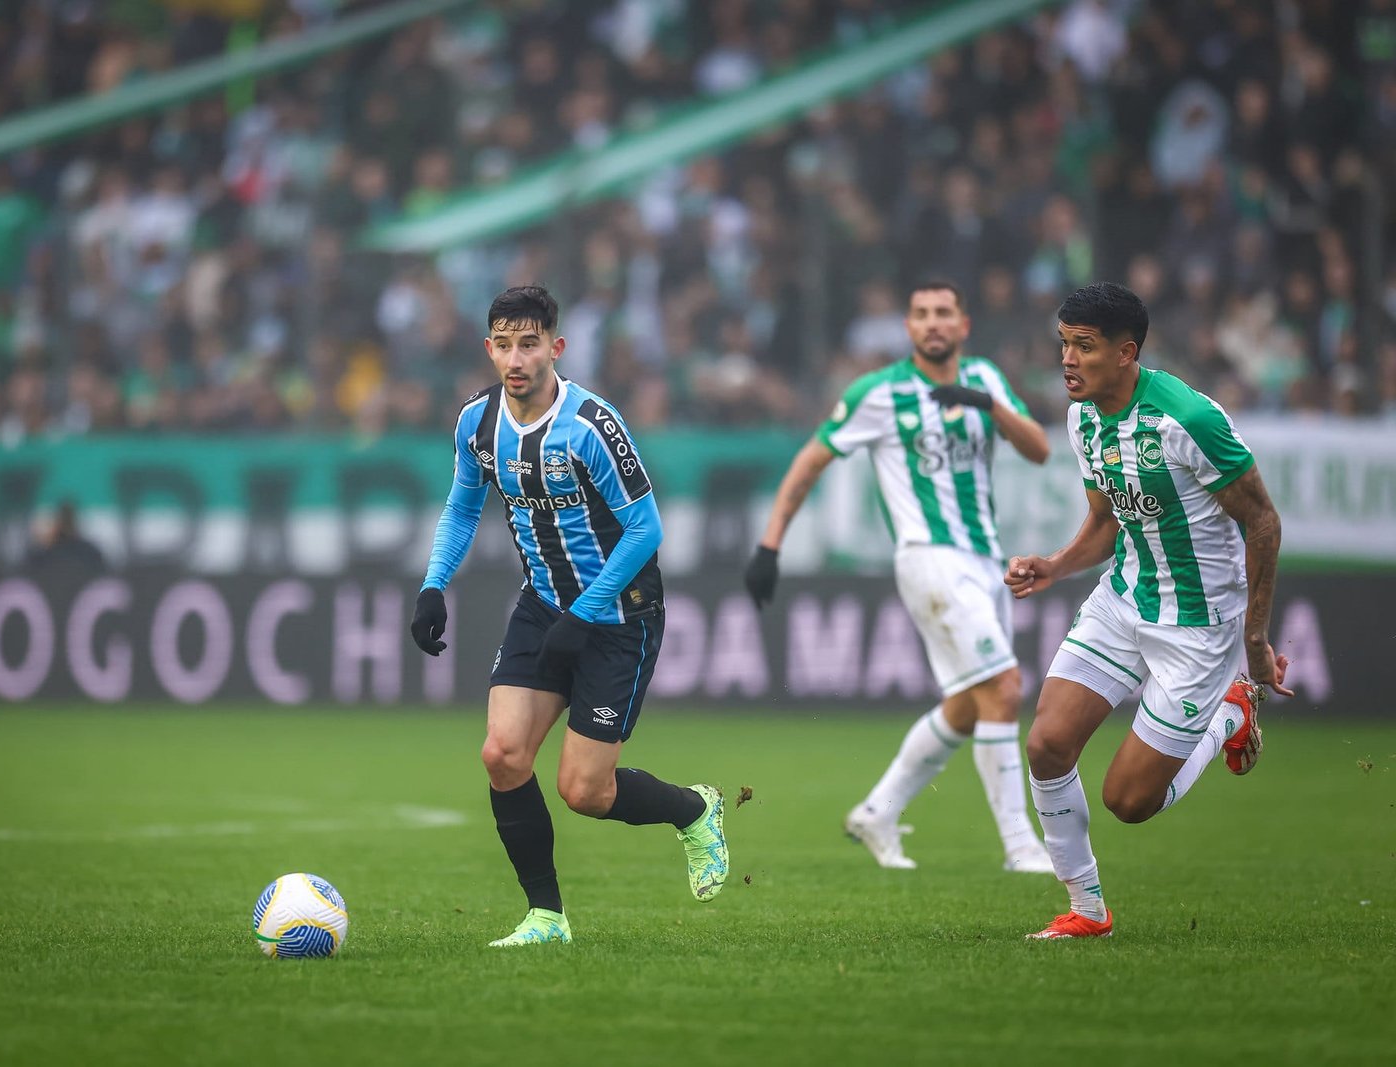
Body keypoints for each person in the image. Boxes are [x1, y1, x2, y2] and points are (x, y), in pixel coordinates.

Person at [410, 285, 728, 947]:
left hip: (618, 616)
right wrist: (434, 584)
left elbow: (645, 528)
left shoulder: (591, 425)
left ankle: (695, 809)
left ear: (555, 347)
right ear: (489, 348)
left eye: (530, 343)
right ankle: (546, 917)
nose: (516, 357)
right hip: (543, 607)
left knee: (585, 790)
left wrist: (585, 613)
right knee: (502, 754)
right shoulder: (478, 421)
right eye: (504, 344)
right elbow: (463, 506)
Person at [1006, 281, 1291, 940]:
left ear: (1127, 351)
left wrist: (1254, 637)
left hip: (1197, 624)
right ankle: (1087, 909)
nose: (1068, 360)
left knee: (1128, 801)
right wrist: (1055, 563)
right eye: (1064, 344)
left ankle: (1231, 711)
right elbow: (1107, 520)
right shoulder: (1084, 417)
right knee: (1046, 744)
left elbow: (1263, 521)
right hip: (1124, 597)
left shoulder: (1187, 419)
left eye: (1085, 346)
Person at [744, 280, 1053, 873]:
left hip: (986, 558)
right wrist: (770, 544)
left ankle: (877, 812)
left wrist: (989, 406)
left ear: (963, 325)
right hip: (928, 556)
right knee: (1006, 687)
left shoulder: (986, 380)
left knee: (968, 705)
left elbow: (1039, 448)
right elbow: (813, 459)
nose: (932, 323)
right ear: (908, 328)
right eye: (920, 314)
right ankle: (1020, 845)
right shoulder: (879, 393)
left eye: (943, 313)